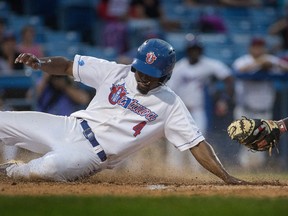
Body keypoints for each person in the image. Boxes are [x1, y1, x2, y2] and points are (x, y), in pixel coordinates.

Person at [0, 38, 244, 184]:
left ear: (167, 75)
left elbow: (197, 143)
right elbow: (66, 66)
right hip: (69, 126)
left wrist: (226, 176)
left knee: (48, 168)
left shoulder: (170, 104)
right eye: (141, 72)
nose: (145, 79)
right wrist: (41, 63)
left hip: (91, 155)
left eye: (153, 76)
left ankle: (9, 171)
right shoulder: (116, 72)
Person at [166, 36, 234, 171]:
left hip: (198, 110)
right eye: (192, 49)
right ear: (187, 50)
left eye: (197, 49)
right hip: (180, 111)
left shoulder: (208, 64)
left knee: (198, 139)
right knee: (175, 141)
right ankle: (174, 173)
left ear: (201, 50)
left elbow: (228, 77)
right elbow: (168, 91)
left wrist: (224, 99)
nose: (194, 52)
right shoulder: (179, 67)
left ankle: (197, 174)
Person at [232, 37, 288, 170]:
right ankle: (245, 169)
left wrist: (274, 64)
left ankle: (256, 172)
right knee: (246, 140)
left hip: (264, 111)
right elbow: (237, 71)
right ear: (250, 48)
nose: (258, 49)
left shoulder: (270, 59)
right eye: (256, 46)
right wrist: (258, 63)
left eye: (261, 46)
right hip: (245, 110)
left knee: (263, 143)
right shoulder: (244, 60)